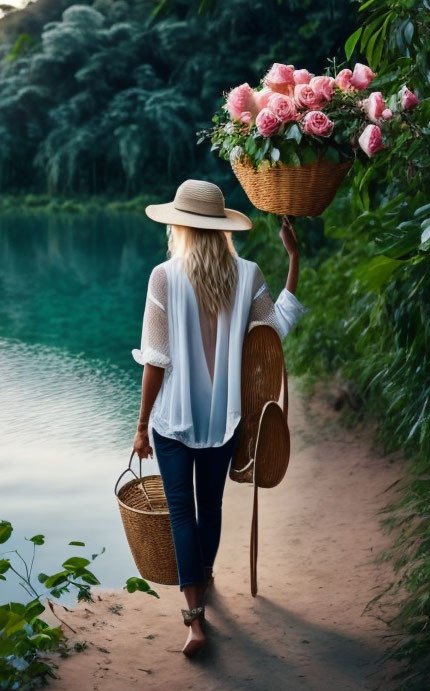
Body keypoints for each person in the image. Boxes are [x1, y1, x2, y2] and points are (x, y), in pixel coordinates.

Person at [131, 179, 307, 657]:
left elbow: (156, 360)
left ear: (181, 226)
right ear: (221, 227)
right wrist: (293, 259)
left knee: (181, 516)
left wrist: (142, 424)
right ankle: (203, 583)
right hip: (224, 420)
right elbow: (275, 331)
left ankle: (194, 621)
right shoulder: (247, 274)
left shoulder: (164, 276)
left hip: (174, 420)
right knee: (210, 510)